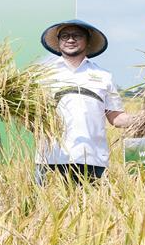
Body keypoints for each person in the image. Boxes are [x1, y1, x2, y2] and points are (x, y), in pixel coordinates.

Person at [36, 19, 134, 183]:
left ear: (88, 42)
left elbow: (116, 118)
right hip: (51, 158)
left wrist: (139, 119)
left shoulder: (104, 76)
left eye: (77, 35)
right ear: (58, 41)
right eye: (65, 36)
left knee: (92, 201)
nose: (70, 40)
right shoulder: (42, 75)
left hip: (92, 158)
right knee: (45, 200)